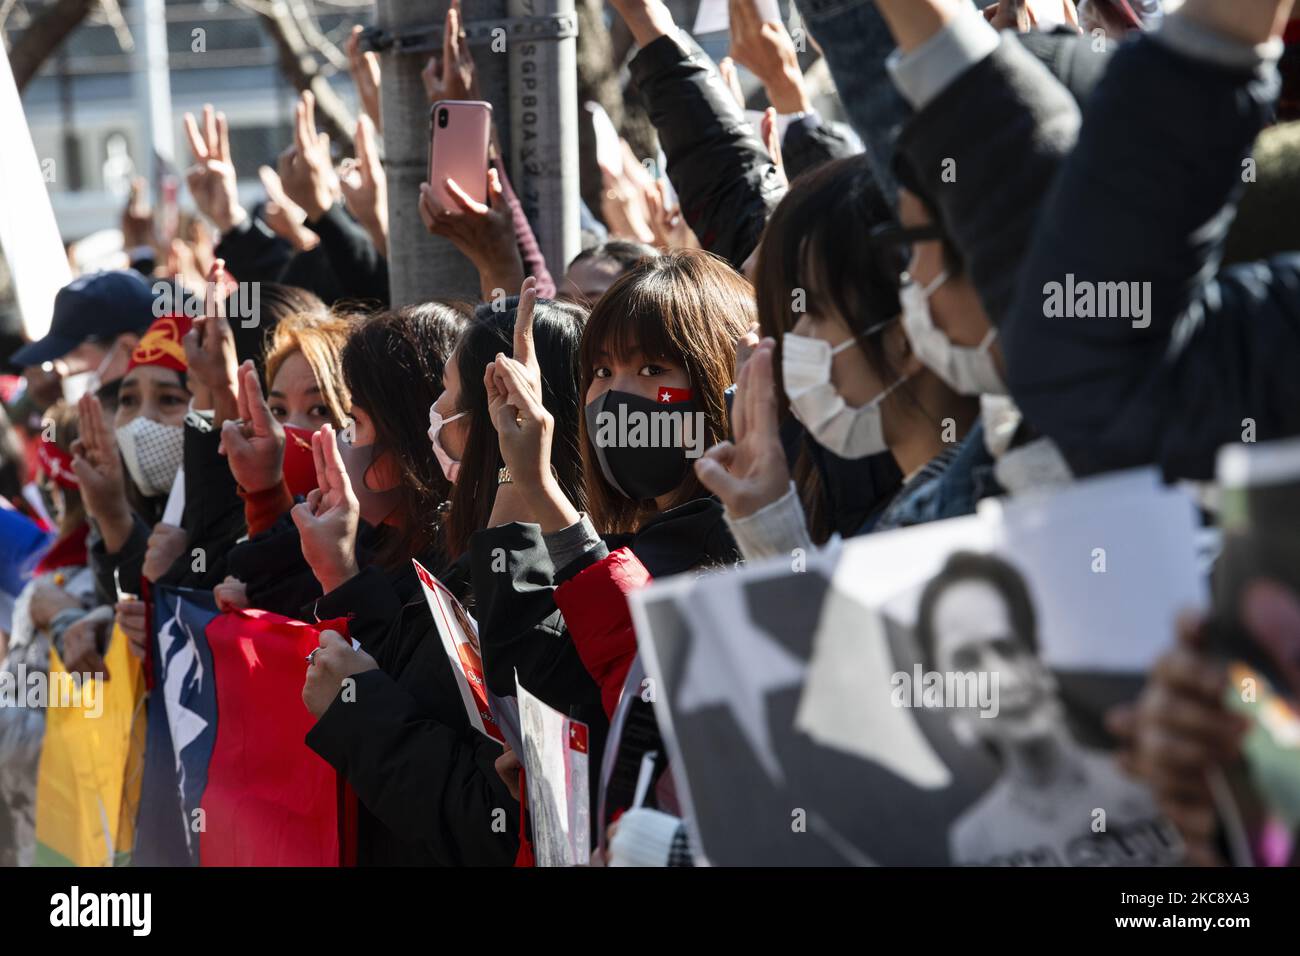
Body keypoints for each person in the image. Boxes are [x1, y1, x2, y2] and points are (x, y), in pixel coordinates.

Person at [291, 306, 518, 865]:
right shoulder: (421, 557)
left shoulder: (494, 575)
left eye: (354, 420)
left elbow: (486, 820)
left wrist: (356, 704)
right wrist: (338, 572)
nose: (436, 415)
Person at [914, 551, 1183, 866]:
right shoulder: (975, 840)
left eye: (1008, 647)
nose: (1003, 679)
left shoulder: (1145, 784)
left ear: (1037, 653)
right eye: (967, 662)